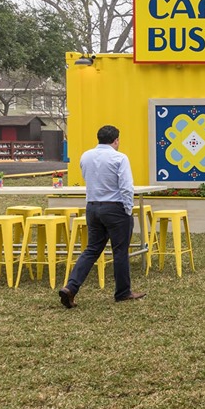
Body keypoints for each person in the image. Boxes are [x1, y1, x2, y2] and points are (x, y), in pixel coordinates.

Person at [58, 125, 144, 309]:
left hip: (92, 207)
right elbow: (126, 187)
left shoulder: (86, 156)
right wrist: (128, 209)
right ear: (116, 140)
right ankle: (123, 292)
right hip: (115, 208)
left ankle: (71, 287)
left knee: (91, 250)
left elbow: (86, 178)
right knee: (120, 251)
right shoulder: (120, 158)